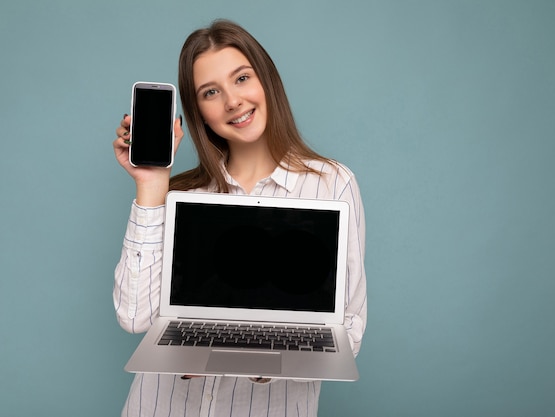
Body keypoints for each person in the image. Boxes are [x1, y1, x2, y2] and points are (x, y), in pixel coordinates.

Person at [112, 19, 366, 416]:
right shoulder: (180, 195)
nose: (232, 101)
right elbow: (134, 317)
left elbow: (348, 331)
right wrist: (150, 185)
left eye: (242, 78)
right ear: (199, 113)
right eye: (211, 92)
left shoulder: (333, 183)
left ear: (266, 81)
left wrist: (258, 359)